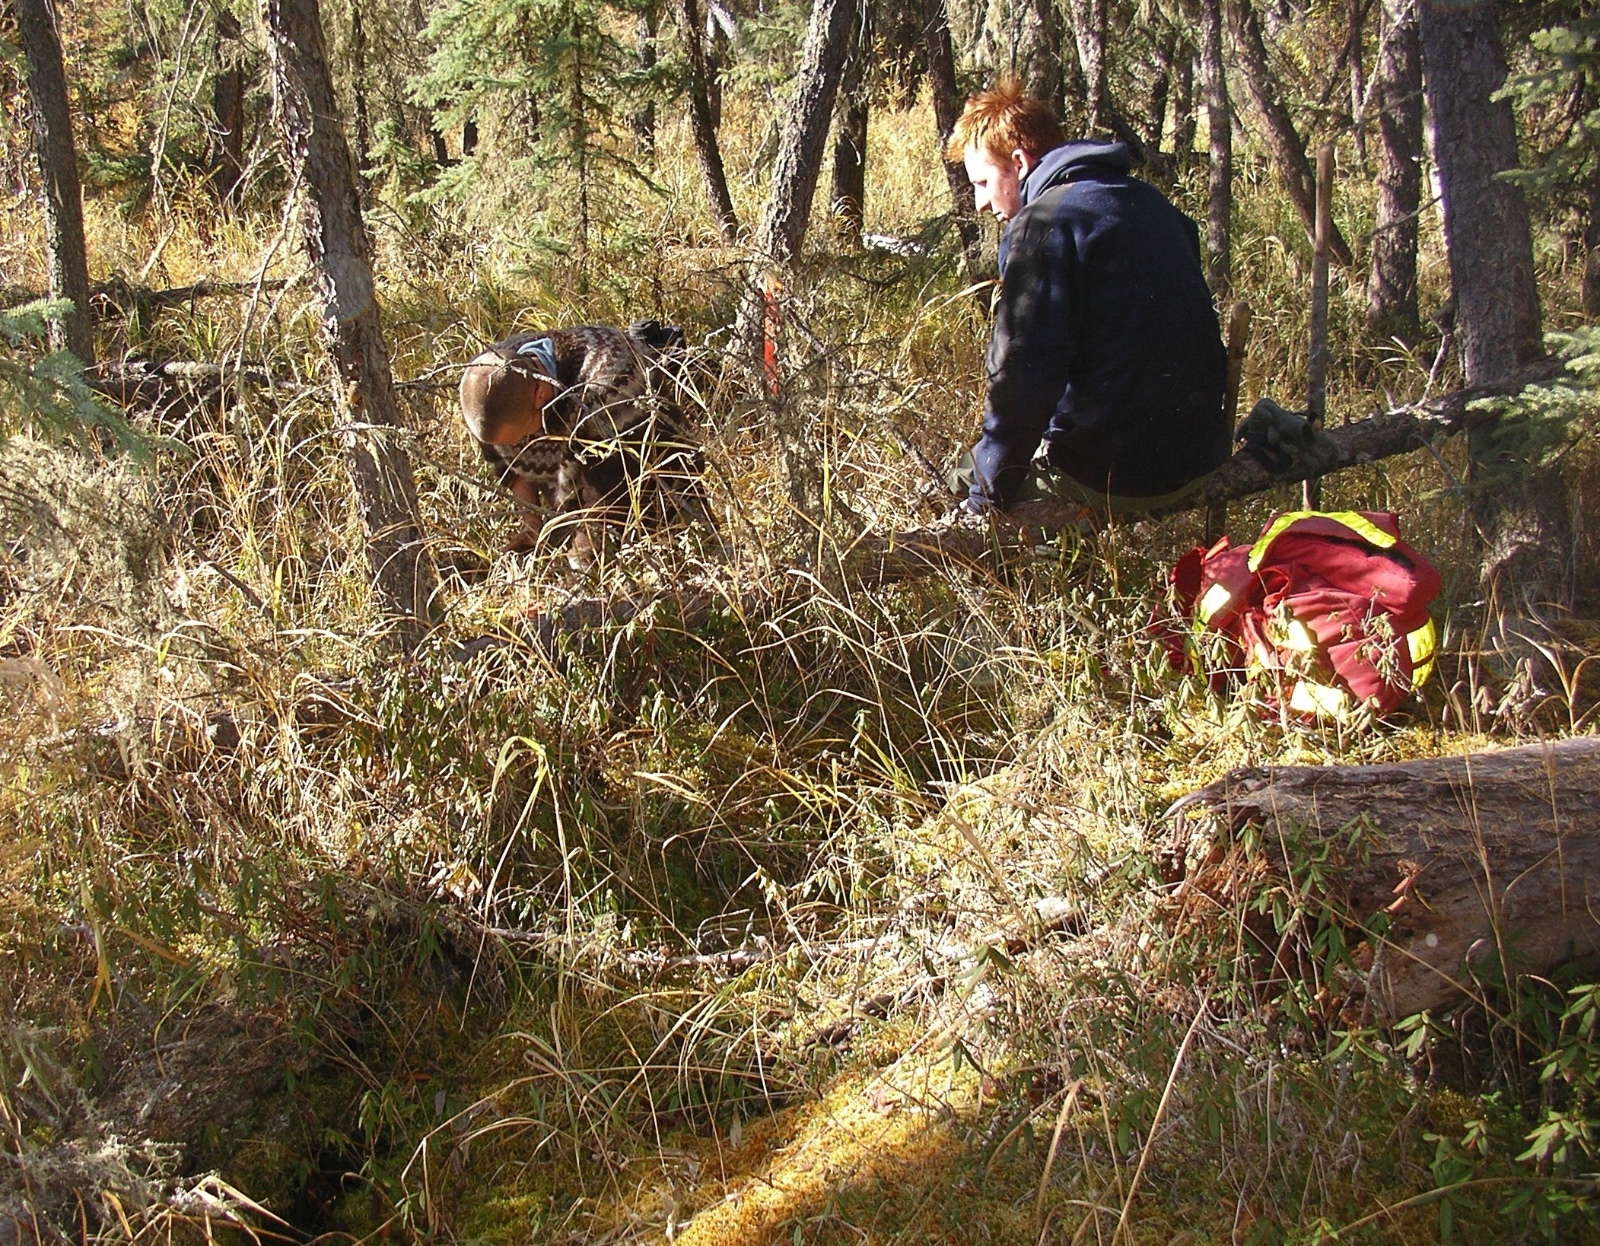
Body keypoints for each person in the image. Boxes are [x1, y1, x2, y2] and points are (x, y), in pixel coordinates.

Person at [948, 79, 1230, 518]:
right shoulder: (1151, 202)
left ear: (1020, 162)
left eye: (983, 182)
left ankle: (1038, 575)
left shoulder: (1042, 225)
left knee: (962, 479)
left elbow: (1022, 381)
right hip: (1201, 458)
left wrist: (984, 499)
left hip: (1116, 475)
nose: (982, 203)